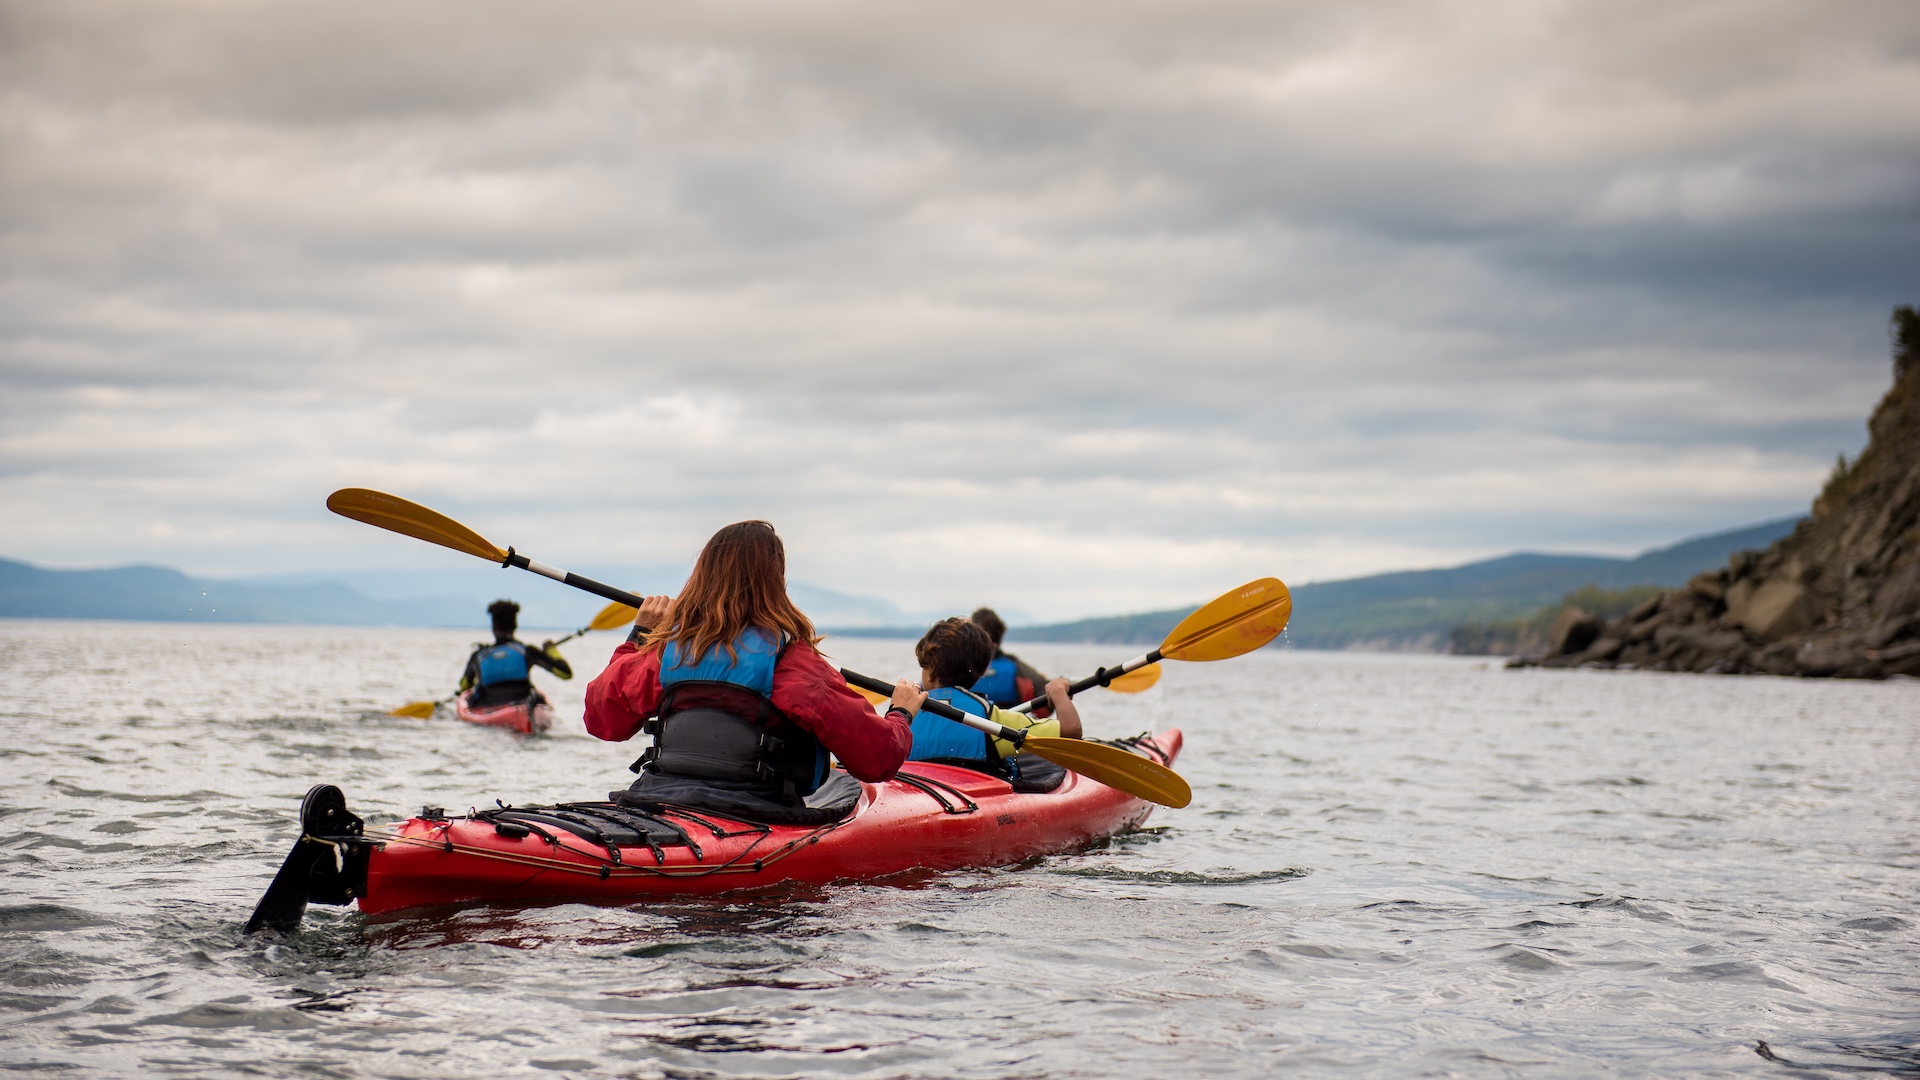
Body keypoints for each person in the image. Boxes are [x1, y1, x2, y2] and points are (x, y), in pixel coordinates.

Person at [584, 520, 919, 824]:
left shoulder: (662, 654)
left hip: (659, 798)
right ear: (775, 581)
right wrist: (901, 714)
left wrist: (641, 635)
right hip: (757, 811)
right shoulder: (797, 665)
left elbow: (601, 719)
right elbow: (878, 760)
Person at [908, 617, 1082, 779]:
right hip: (978, 792)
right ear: (981, 672)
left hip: (919, 793)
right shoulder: (990, 720)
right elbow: (1071, 731)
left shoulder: (905, 719)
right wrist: (1059, 693)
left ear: (930, 672)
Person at [460, 600, 573, 708]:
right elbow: (565, 674)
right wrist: (551, 650)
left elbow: (464, 685)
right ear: (515, 626)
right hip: (522, 703)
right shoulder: (528, 651)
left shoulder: (479, 656)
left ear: (494, 628)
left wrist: (479, 676)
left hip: (486, 705)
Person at [968, 607, 1052, 710]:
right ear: (1000, 635)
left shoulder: (961, 669)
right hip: (1009, 718)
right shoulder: (1019, 669)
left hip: (967, 719)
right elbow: (1046, 708)